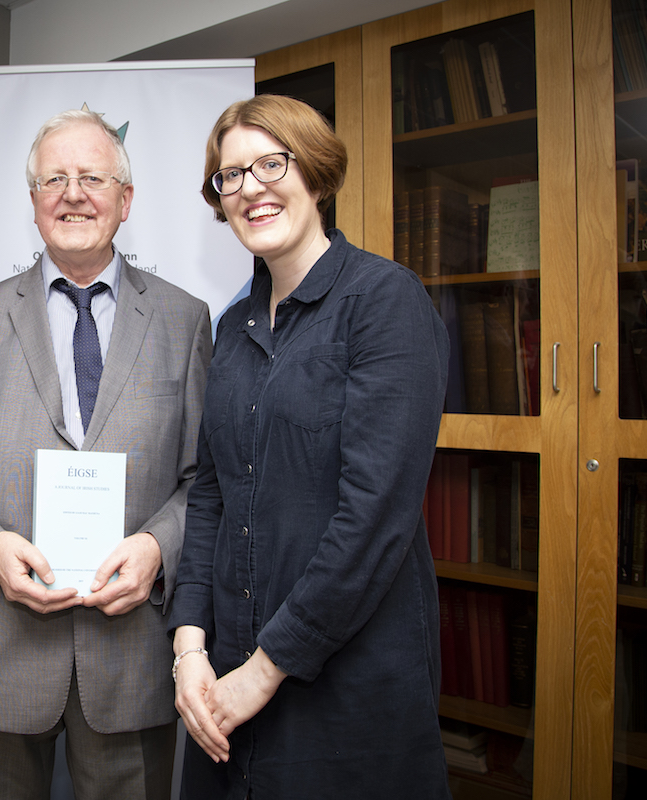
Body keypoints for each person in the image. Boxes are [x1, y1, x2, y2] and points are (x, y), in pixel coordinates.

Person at [0, 109, 213, 800]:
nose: (73, 194)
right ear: (34, 200)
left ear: (125, 200)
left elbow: (205, 483)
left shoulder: (184, 320)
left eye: (93, 178)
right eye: (55, 179)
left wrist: (159, 548)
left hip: (132, 661)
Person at [169, 94, 452, 798]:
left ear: (317, 174)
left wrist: (265, 671)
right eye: (230, 176)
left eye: (271, 164)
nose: (250, 189)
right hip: (226, 676)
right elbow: (210, 495)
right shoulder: (232, 328)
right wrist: (189, 647)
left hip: (347, 684)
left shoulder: (385, 301)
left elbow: (373, 519)